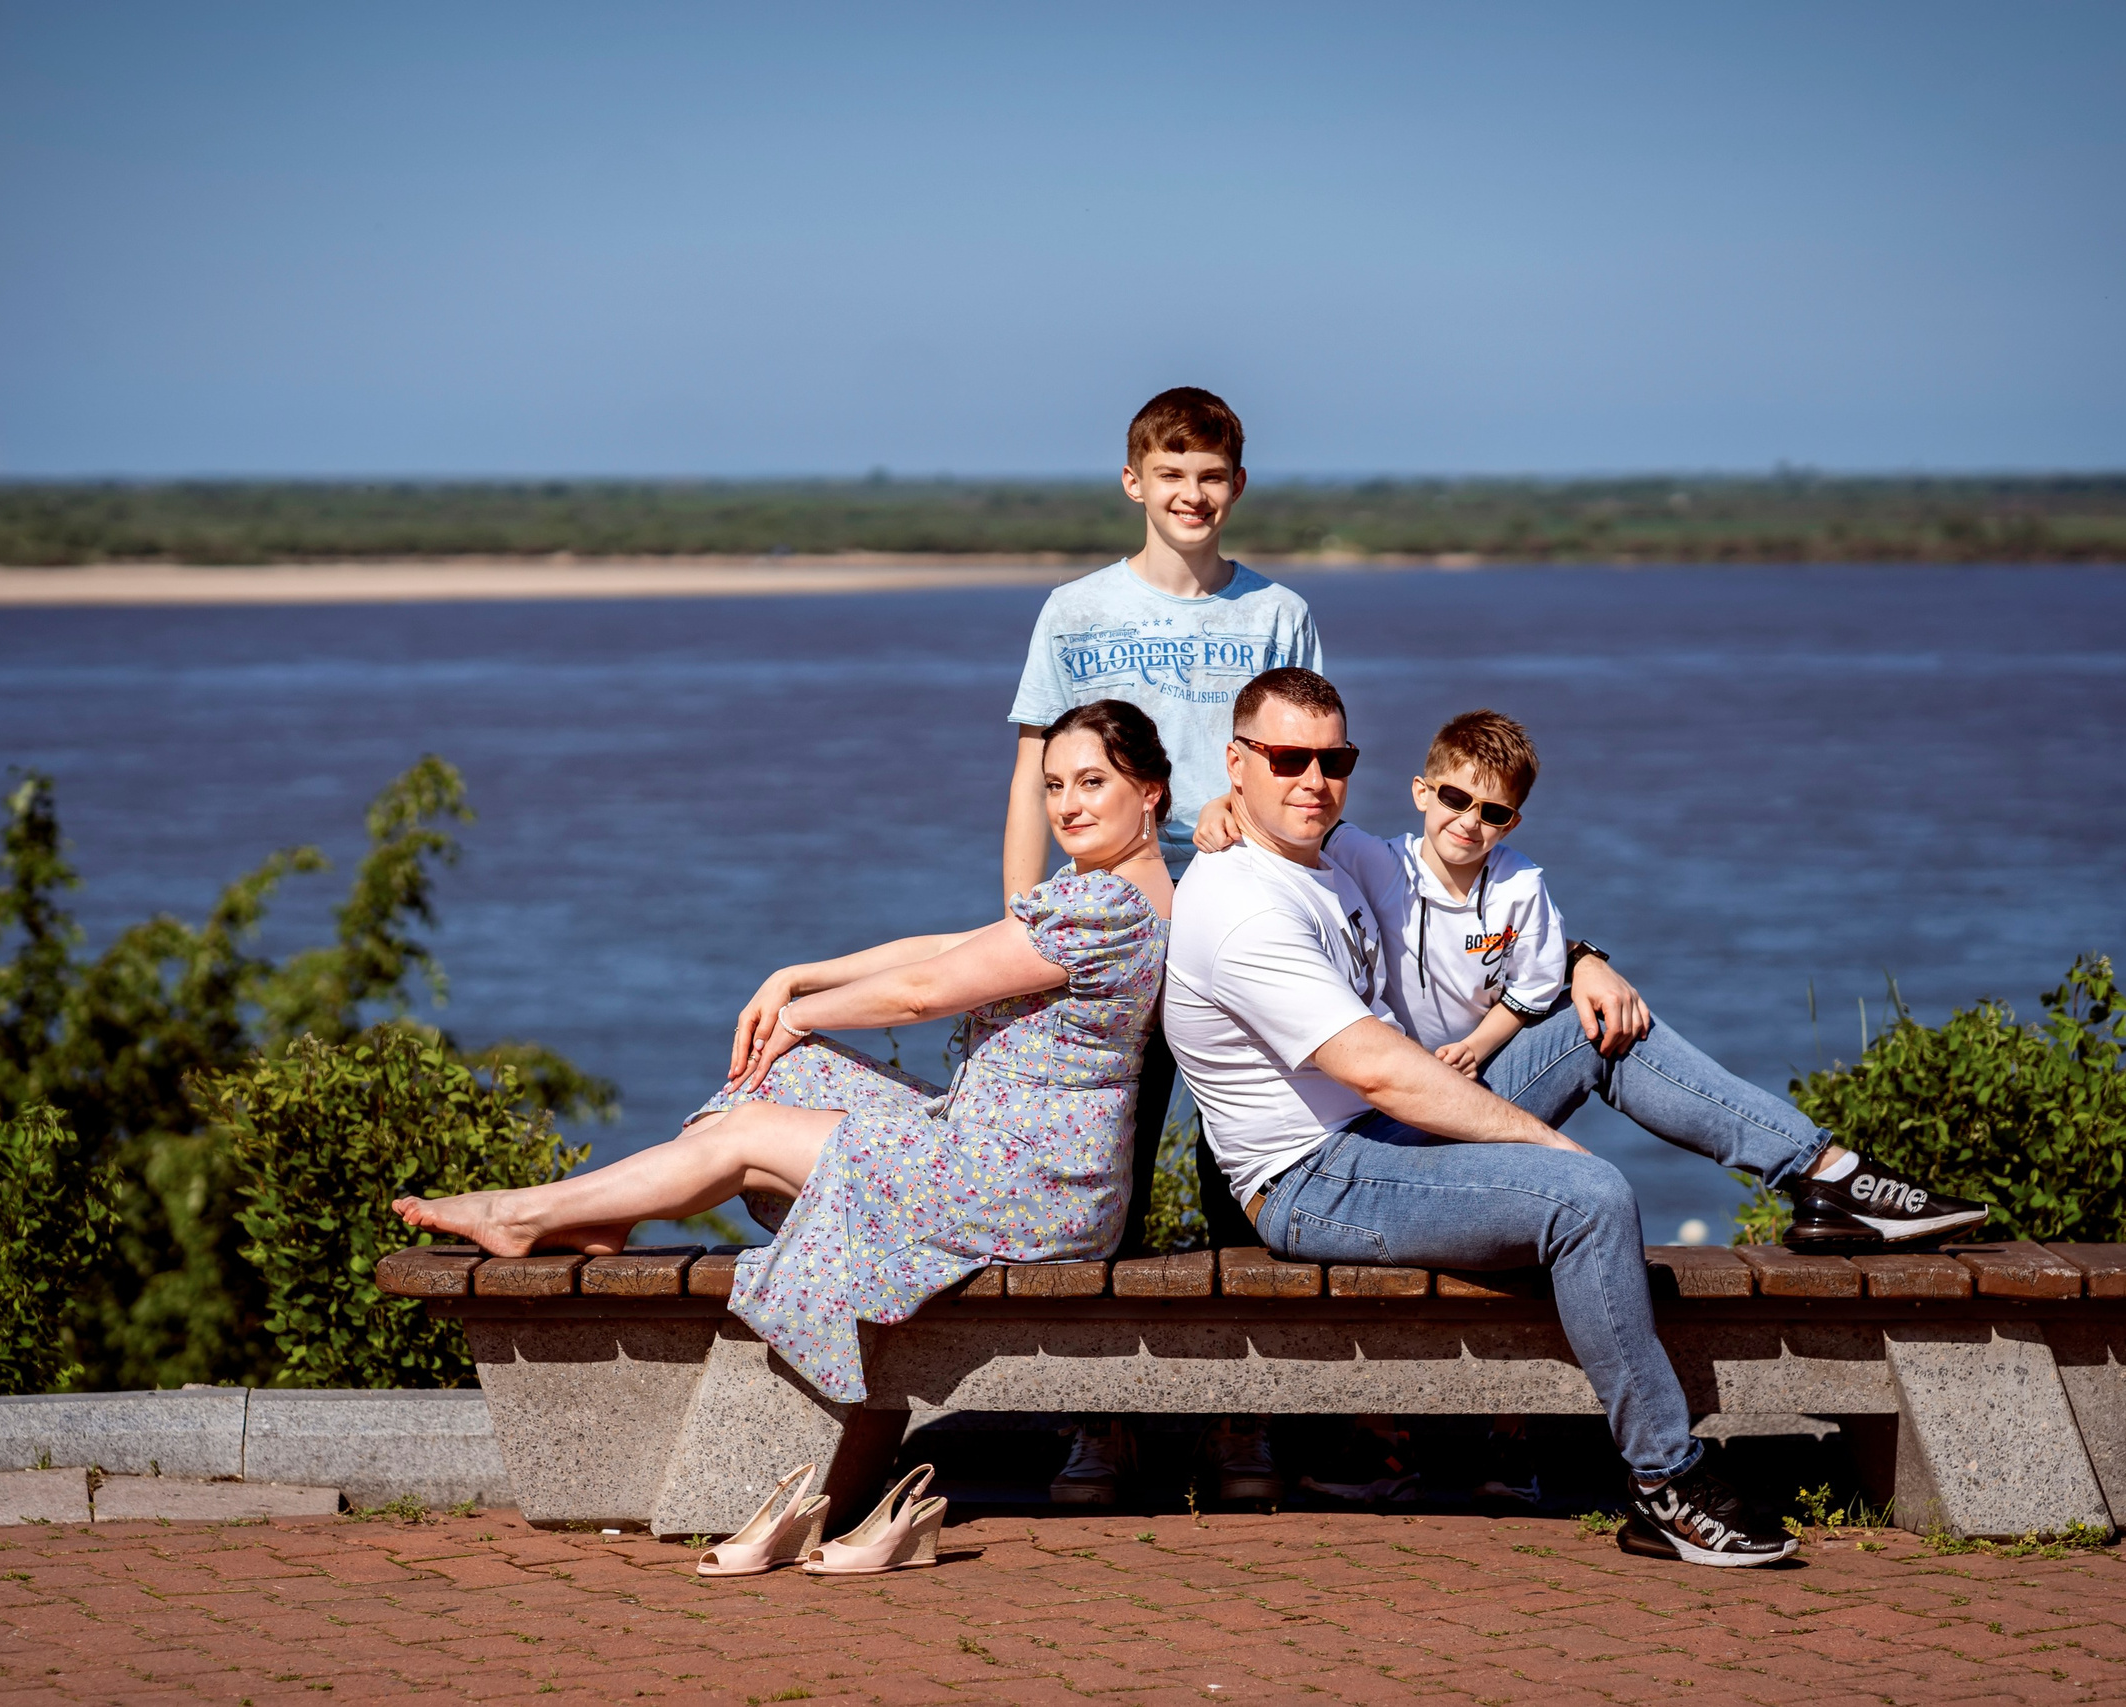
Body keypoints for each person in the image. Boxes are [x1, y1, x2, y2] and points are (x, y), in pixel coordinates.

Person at [1164, 667, 1983, 1566]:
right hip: (1317, 1175)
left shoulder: (1330, 853)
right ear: (1238, 763)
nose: (1313, 778)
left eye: (1334, 757)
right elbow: (1381, 1074)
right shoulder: (1244, 905)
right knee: (1588, 1195)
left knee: (1596, 1024)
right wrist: (1541, 1142)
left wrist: (1584, 958)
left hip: (1382, 1134)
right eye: (1287, 758)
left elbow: (1477, 905)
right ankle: (1666, 1480)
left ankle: (1825, 1177)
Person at [393, 700, 1174, 1405]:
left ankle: (523, 1212)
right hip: (1017, 1159)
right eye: (1053, 785)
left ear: (1150, 792)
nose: (1067, 806)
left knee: (751, 1126)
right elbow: (954, 945)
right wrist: (801, 972)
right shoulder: (1119, 893)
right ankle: (604, 1216)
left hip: (1027, 1184)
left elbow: (924, 993)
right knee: (784, 1076)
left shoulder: (1102, 905)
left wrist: (800, 1012)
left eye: (1092, 782)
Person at [1001, 386, 1319, 1505]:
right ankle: (1100, 1425)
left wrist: (1253, 805)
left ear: (1236, 486)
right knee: (1106, 1175)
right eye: (1170, 474)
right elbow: (1035, 771)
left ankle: (1247, 1426)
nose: (1192, 495)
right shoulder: (1074, 611)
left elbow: (1298, 760)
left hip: (1236, 920)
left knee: (1243, 1170)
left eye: (1212, 475)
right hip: (1111, 925)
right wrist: (1018, 911)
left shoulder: (1277, 612)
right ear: (1134, 482)